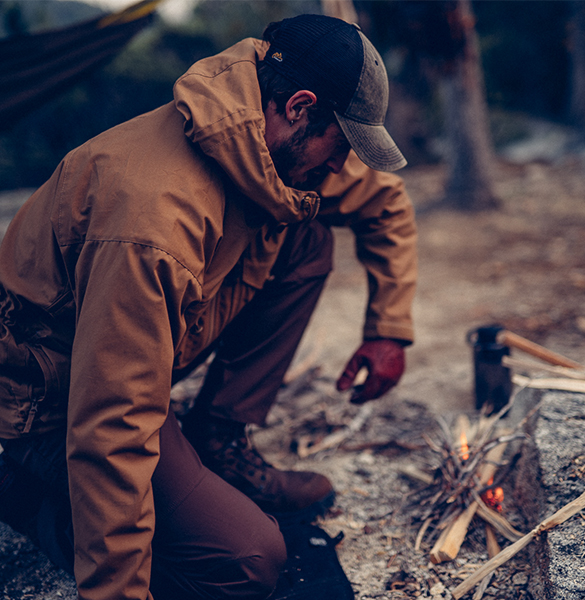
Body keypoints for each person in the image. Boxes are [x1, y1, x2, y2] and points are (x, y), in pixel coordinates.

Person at [0, 13, 417, 600]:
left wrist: (389, 329)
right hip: (52, 402)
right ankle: (25, 491)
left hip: (125, 371)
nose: (341, 166)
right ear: (298, 107)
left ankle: (217, 441)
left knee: (306, 236)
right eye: (343, 144)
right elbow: (113, 423)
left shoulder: (268, 148)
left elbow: (386, 205)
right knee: (249, 561)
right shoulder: (152, 221)